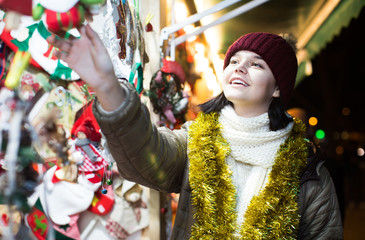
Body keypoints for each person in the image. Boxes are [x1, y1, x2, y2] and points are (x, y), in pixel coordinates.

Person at [48, 24, 343, 239]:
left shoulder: (308, 173)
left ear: (278, 88)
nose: (240, 68)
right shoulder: (197, 140)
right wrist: (107, 88)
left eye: (256, 64)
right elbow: (147, 154)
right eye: (235, 61)